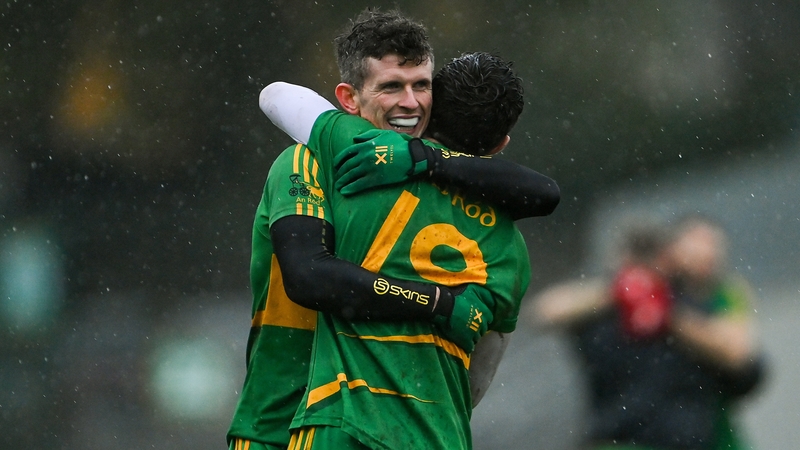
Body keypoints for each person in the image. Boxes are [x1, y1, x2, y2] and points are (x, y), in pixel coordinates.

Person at [227, 8, 559, 450]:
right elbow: (308, 276)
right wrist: (438, 303)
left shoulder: (395, 164)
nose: (410, 102)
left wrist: (427, 160)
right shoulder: (309, 160)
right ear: (348, 98)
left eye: (421, 86)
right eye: (391, 87)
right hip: (275, 420)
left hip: (341, 421)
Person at [530, 215, 764, 450]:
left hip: (691, 437)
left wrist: (666, 312)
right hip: (619, 440)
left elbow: (738, 355)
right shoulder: (601, 309)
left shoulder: (690, 300)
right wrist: (622, 291)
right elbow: (545, 311)